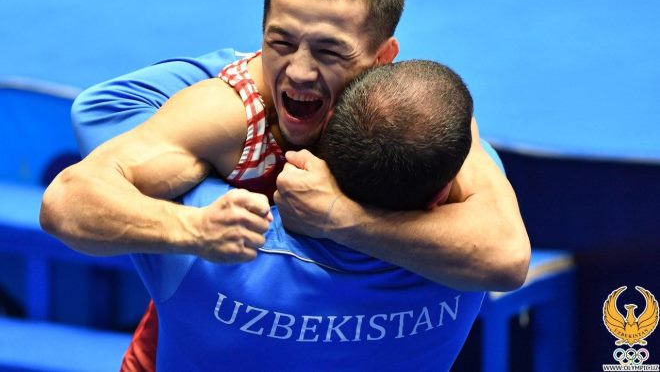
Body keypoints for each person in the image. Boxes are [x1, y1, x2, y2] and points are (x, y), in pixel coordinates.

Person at [40, 0, 530, 371]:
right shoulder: (231, 118)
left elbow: (506, 256)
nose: (298, 71)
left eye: (328, 51)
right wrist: (196, 229)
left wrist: (336, 216)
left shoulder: (409, 115)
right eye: (281, 42)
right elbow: (66, 202)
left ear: (382, 58)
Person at [107, 60, 484, 371]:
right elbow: (500, 230)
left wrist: (254, 66)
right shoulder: (472, 267)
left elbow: (108, 108)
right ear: (442, 192)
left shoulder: (203, 229)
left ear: (324, 141)